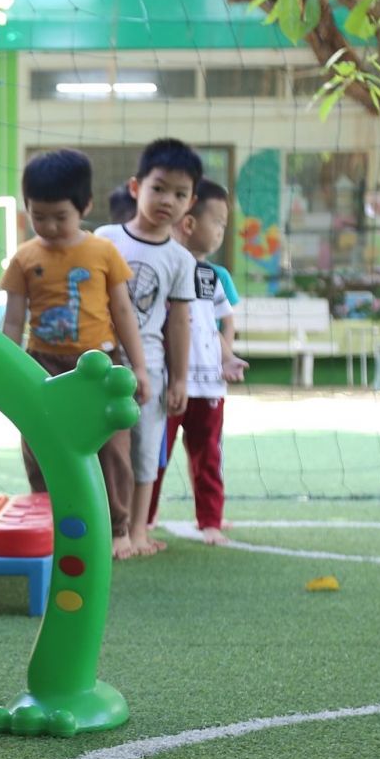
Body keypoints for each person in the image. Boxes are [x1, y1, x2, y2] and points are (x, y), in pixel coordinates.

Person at [0, 149, 151, 560]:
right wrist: (7, 372)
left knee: (114, 449)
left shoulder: (103, 252)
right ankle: (52, 522)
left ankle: (117, 529)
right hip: (42, 367)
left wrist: (138, 368)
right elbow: (13, 321)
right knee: (41, 447)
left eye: (60, 216)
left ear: (84, 207)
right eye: (39, 216)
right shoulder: (24, 258)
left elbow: (123, 312)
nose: (49, 226)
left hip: (101, 367)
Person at [94, 138, 201, 557]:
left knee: (144, 451)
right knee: (102, 449)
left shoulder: (181, 260)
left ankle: (137, 530)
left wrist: (180, 379)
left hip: (151, 369)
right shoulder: (105, 240)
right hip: (101, 363)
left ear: (191, 203)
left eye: (180, 194)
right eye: (159, 188)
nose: (167, 200)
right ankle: (103, 526)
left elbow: (179, 321)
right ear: (136, 187)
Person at [147, 179, 247, 544]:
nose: (221, 231)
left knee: (208, 455)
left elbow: (214, 325)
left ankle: (210, 521)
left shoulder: (211, 277)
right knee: (153, 453)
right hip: (168, 383)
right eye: (217, 222)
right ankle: (144, 517)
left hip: (207, 386)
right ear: (189, 223)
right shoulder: (162, 267)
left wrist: (227, 357)